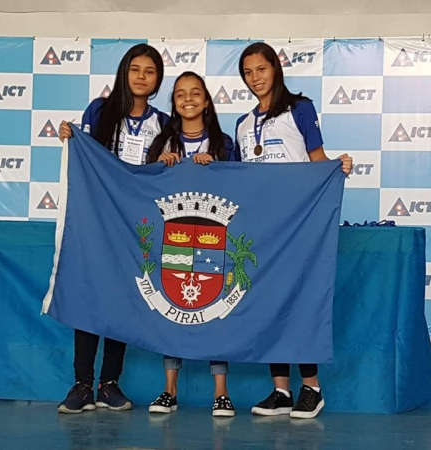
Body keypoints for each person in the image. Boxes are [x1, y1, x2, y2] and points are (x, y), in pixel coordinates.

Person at [235, 42, 352, 419]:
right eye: (248, 72)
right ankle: (281, 391)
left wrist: (338, 165)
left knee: (301, 303)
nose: (256, 78)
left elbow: (317, 160)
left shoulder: (299, 108)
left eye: (261, 69)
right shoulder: (241, 124)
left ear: (276, 68)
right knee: (270, 305)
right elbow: (241, 181)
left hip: (299, 226)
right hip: (263, 229)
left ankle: (312, 389)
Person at [56, 43, 169, 414]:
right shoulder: (100, 110)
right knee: (90, 294)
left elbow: (164, 178)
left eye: (149, 71)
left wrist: (170, 160)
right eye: (135, 69)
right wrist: (68, 136)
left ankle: (109, 384)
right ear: (124, 72)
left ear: (157, 80)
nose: (141, 76)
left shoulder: (163, 123)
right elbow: (83, 153)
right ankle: (81, 384)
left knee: (124, 298)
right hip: (97, 219)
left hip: (136, 225)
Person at [146, 71, 237, 417]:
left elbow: (245, 188)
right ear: (173, 103)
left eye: (196, 93)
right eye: (180, 94)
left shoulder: (224, 143)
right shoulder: (162, 144)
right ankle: (169, 390)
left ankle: (221, 392)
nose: (188, 99)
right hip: (174, 239)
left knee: (216, 309)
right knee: (174, 310)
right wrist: (159, 167)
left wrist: (219, 169)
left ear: (207, 101)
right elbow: (142, 189)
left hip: (216, 239)